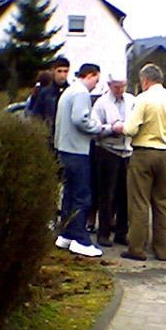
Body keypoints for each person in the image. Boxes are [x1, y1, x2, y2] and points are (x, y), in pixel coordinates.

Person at [113, 63, 166, 261]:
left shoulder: (143, 99)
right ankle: (162, 250)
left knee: (139, 202)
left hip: (143, 154)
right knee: (162, 203)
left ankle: (137, 248)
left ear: (145, 80)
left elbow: (130, 129)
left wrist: (119, 127)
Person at [54, 63, 112, 257]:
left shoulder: (69, 91)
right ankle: (81, 240)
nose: (97, 84)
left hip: (64, 149)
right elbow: (81, 120)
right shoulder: (81, 94)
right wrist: (102, 128)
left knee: (69, 195)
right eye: (97, 79)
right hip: (77, 151)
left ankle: (66, 235)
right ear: (91, 75)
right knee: (82, 196)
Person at [90, 71, 135, 247]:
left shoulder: (132, 101)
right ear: (109, 86)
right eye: (116, 87)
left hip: (127, 151)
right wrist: (111, 128)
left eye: (122, 86)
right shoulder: (101, 103)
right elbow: (94, 128)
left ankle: (121, 232)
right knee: (106, 194)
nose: (120, 90)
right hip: (107, 151)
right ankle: (104, 233)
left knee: (125, 195)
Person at [32, 56, 70, 149]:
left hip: (67, 140)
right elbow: (36, 115)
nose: (62, 75)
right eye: (59, 71)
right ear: (54, 71)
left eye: (65, 71)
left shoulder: (72, 92)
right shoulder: (45, 93)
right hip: (49, 138)